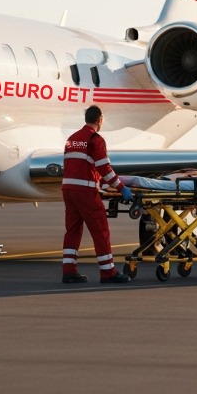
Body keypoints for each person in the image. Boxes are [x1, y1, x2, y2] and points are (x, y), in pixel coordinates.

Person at [61, 105, 133, 284]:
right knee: (101, 231)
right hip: (85, 191)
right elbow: (104, 168)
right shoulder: (95, 139)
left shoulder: (72, 139)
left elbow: (78, 165)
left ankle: (69, 271)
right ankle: (108, 272)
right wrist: (121, 187)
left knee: (72, 230)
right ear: (100, 120)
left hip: (68, 190)